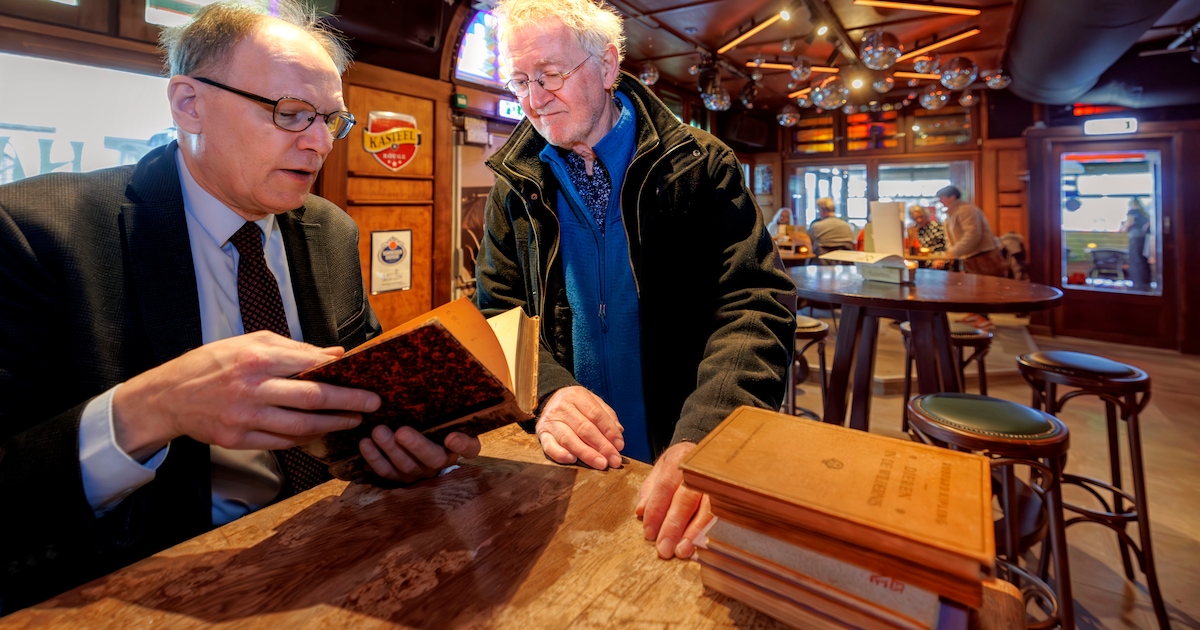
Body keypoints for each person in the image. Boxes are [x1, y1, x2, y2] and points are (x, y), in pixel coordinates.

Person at [0, 0, 479, 613]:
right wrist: (157, 405)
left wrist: (399, 446)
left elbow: (358, 391)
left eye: (331, 120)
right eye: (290, 113)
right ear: (188, 104)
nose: (319, 143)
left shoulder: (329, 229)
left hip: (334, 548)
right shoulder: (38, 233)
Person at [475, 0, 796, 562]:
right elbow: (498, 312)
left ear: (607, 66)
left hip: (683, 454)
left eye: (550, 74)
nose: (533, 99)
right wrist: (548, 393)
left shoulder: (700, 165)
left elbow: (755, 303)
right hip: (569, 468)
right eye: (520, 81)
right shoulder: (513, 186)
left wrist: (708, 432)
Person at [933, 185, 1005, 328]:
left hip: (982, 255)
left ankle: (984, 318)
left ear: (952, 197)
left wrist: (954, 252)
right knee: (973, 288)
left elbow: (972, 235)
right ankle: (975, 313)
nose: (940, 201)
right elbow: (952, 237)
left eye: (942, 197)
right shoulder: (954, 212)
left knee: (983, 288)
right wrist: (951, 252)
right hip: (970, 255)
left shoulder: (966, 210)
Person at [808, 197, 855, 263]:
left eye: (819, 210)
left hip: (822, 266)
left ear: (822, 210)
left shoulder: (816, 227)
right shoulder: (847, 226)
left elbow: (808, 245)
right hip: (845, 265)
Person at [1125, 198, 1153, 291]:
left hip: (1135, 238)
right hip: (1145, 238)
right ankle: (1146, 283)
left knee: (1135, 261)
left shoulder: (1132, 211)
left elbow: (1128, 224)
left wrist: (1124, 228)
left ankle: (1137, 284)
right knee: (1144, 260)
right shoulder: (1144, 213)